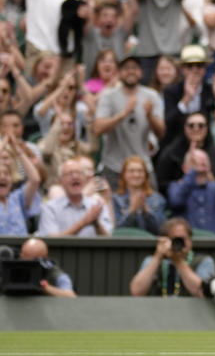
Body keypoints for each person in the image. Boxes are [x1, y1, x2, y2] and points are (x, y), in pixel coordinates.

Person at [92, 55, 164, 190]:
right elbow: (97, 129)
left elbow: (161, 132)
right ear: (119, 72)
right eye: (126, 68)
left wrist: (150, 116)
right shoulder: (108, 95)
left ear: (141, 72)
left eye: (135, 68)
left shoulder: (152, 95)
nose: (131, 71)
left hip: (143, 167)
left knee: (153, 206)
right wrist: (123, 114)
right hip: (114, 167)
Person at [129, 217, 215, 297]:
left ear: (190, 240)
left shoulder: (204, 261)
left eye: (183, 239)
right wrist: (157, 257)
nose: (180, 243)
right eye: (175, 239)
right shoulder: (152, 261)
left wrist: (178, 261)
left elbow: (202, 293)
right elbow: (136, 292)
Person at [167, 144, 215, 237]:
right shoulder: (176, 186)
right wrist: (192, 173)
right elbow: (176, 201)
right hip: (188, 242)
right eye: (195, 162)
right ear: (184, 167)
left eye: (204, 161)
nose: (200, 164)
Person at [37, 157, 114, 237]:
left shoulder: (97, 205)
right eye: (69, 173)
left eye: (79, 173)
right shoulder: (50, 208)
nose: (75, 176)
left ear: (85, 179)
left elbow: (108, 239)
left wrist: (96, 224)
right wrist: (84, 222)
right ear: (60, 181)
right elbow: (51, 240)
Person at [112, 155, 167, 235]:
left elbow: (161, 230)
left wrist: (146, 211)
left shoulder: (157, 199)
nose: (136, 175)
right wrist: (131, 211)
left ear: (146, 175)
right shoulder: (115, 199)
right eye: (131, 171)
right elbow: (115, 230)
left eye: (140, 171)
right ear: (124, 175)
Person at [0, 137, 42, 236]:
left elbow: (35, 180)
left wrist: (18, 151)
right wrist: (3, 144)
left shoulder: (17, 198)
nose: (2, 177)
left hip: (20, 249)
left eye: (6, 174)